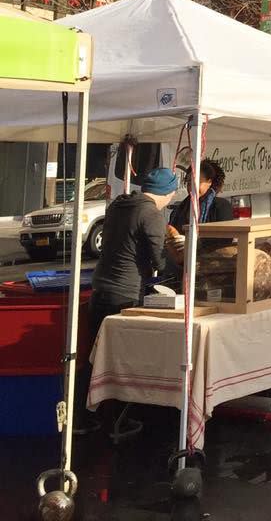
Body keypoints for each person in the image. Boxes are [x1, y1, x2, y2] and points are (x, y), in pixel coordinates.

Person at [75, 168, 179, 430]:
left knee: (94, 355)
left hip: (101, 288)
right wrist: (178, 259)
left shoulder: (118, 206)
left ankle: (83, 416)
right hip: (125, 293)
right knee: (122, 357)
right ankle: (116, 419)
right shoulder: (151, 214)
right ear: (167, 192)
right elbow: (158, 259)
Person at [167, 159, 231, 235]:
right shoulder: (179, 210)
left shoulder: (221, 206)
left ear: (209, 182)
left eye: (197, 182)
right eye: (189, 182)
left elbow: (225, 238)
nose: (192, 187)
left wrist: (191, 242)